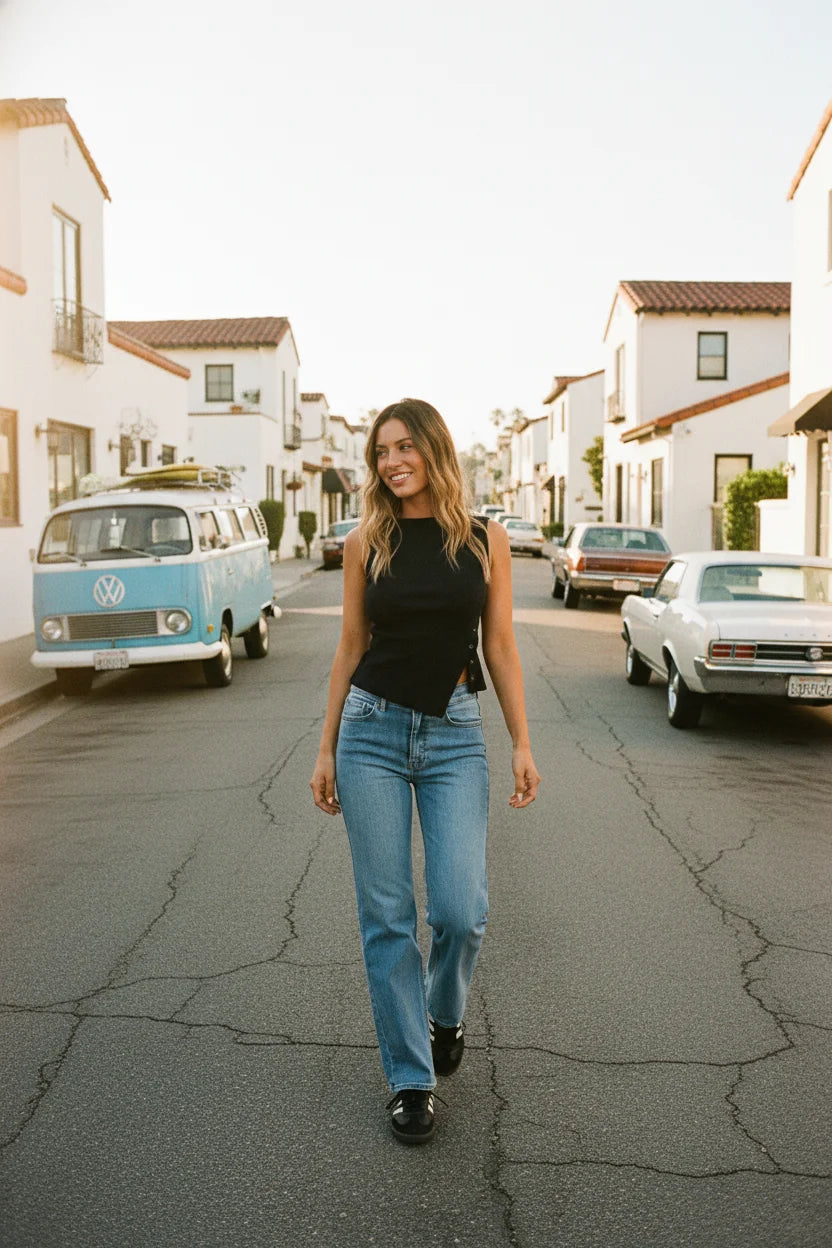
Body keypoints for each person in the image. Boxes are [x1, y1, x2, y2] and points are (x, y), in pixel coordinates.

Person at [310, 398, 540, 1145]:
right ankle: (410, 1078)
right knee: (387, 919)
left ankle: (445, 1012)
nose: (392, 462)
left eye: (405, 447)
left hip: (455, 735)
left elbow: (500, 646)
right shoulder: (364, 543)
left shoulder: (485, 540)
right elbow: (349, 646)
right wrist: (324, 749)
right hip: (371, 732)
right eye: (381, 451)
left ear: (435, 450)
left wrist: (522, 743)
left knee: (459, 912)